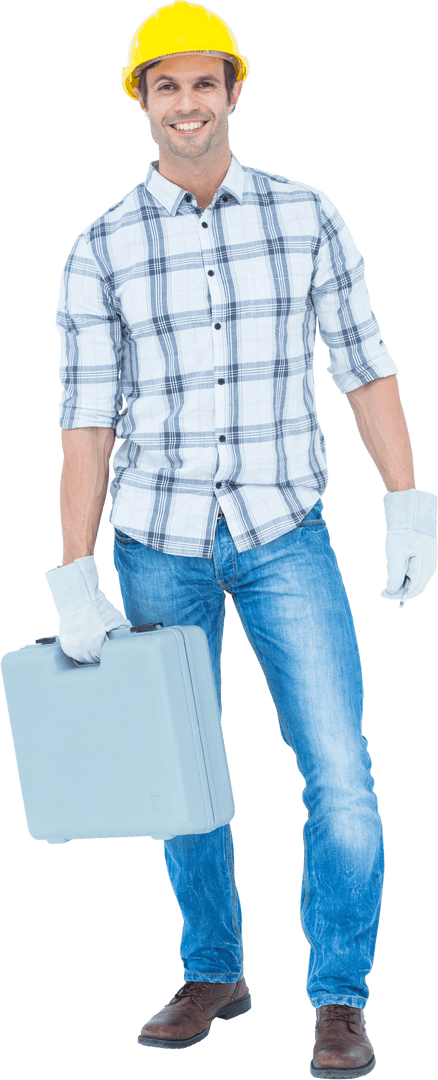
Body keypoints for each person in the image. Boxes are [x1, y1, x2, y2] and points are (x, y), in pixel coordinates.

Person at [44, 3, 437, 1074]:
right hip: (156, 541)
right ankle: (213, 971)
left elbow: (364, 362)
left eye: (203, 83)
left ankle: (340, 997)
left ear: (233, 91)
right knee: (181, 776)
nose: (187, 104)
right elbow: (87, 420)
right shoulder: (101, 248)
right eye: (165, 85)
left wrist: (407, 498)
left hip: (284, 534)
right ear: (141, 100)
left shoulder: (306, 215)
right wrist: (75, 569)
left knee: (341, 772)